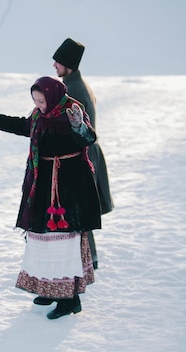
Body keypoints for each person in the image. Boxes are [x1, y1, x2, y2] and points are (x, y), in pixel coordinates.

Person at [0, 76, 101, 319]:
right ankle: (50, 287)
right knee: (41, 237)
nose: (39, 105)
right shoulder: (39, 115)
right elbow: (25, 127)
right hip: (43, 184)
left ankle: (69, 298)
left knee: (62, 240)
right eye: (35, 101)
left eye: (42, 101)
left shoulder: (71, 110)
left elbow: (89, 138)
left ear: (52, 95)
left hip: (68, 189)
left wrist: (79, 126)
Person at [53, 37, 113, 270]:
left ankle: (88, 259)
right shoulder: (77, 84)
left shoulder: (74, 89)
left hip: (83, 155)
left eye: (58, 62)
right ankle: (89, 258)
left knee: (78, 210)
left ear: (68, 63)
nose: (54, 66)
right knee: (79, 209)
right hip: (87, 153)